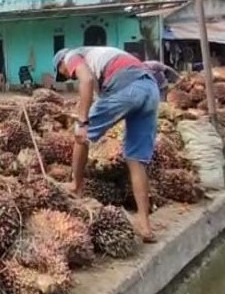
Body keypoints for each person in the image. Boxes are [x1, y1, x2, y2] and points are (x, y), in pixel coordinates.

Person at [53, 46, 159, 243]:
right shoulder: (102, 54)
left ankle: (76, 185)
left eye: (65, 73)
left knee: (80, 135)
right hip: (150, 89)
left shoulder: (71, 56)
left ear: (61, 64)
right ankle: (145, 225)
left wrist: (83, 121)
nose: (70, 76)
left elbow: (86, 80)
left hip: (128, 89)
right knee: (135, 159)